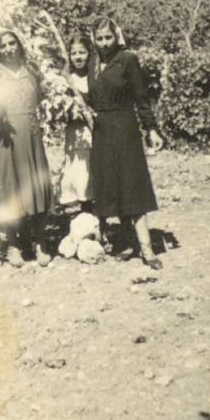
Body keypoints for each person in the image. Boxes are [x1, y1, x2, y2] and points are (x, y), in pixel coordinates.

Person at [87, 17, 164, 270]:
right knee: (113, 184)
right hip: (102, 132)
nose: (104, 43)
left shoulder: (128, 59)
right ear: (93, 39)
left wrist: (151, 128)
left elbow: (141, 97)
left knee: (132, 185)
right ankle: (129, 242)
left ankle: (147, 248)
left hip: (125, 128)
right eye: (99, 38)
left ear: (116, 36)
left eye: (108, 37)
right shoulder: (92, 63)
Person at [0, 29, 54, 268]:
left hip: (31, 134)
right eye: (2, 46)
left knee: (35, 184)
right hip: (6, 137)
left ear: (19, 45)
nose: (8, 49)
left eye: (12, 43)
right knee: (10, 187)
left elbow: (42, 98)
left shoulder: (32, 71)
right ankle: (13, 244)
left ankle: (40, 242)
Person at [59, 35, 95, 213]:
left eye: (82, 52)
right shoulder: (67, 80)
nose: (78, 57)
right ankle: (83, 215)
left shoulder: (95, 77)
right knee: (80, 171)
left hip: (95, 130)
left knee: (93, 170)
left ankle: (98, 217)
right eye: (74, 53)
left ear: (89, 54)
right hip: (77, 133)